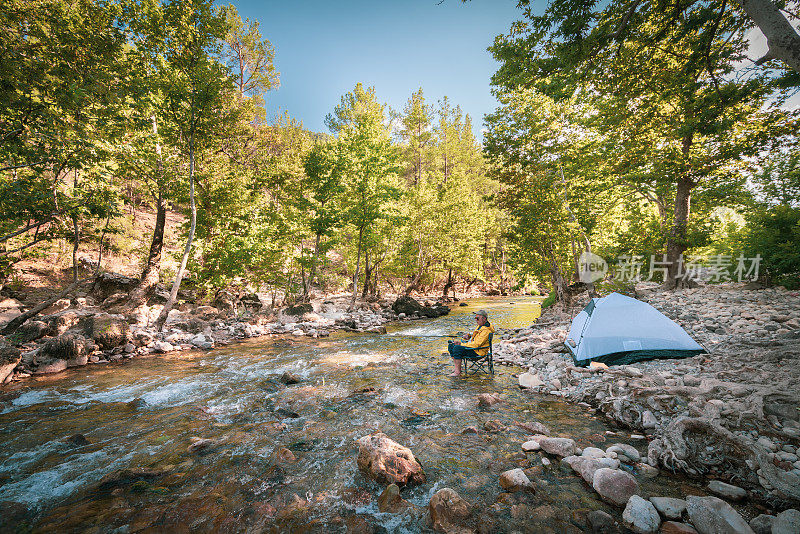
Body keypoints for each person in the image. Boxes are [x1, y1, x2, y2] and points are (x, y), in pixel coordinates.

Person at [447, 309, 495, 376]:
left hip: (477, 352)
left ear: (484, 318)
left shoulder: (486, 330)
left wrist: (461, 344)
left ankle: (457, 372)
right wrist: (469, 335)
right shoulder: (481, 325)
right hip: (474, 349)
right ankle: (457, 368)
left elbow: (476, 344)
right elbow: (477, 335)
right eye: (475, 318)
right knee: (451, 345)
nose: (476, 320)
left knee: (457, 348)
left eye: (477, 318)